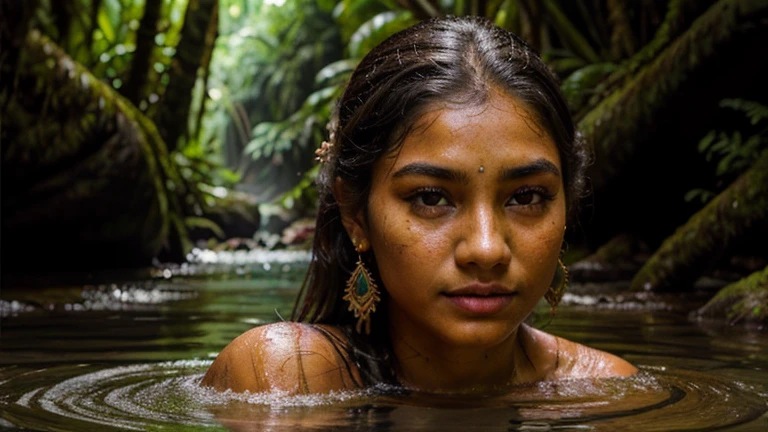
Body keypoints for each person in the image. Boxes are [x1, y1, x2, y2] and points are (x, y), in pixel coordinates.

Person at [201, 15, 636, 395]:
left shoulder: (611, 390)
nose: (486, 250)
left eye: (526, 197)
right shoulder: (285, 375)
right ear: (356, 213)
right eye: (431, 198)